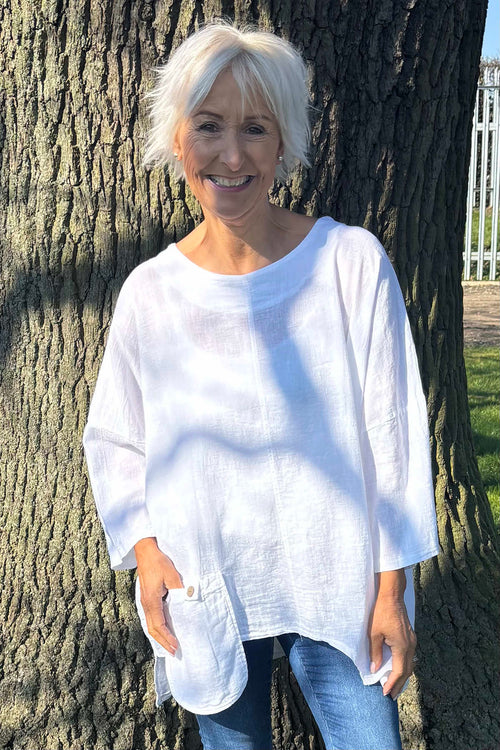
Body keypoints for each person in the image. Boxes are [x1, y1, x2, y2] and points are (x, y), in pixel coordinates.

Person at [83, 21, 440, 750]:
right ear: (178, 139)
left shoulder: (349, 265)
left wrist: (391, 589)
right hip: (205, 583)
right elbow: (115, 437)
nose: (232, 154)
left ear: (284, 144)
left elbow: (394, 432)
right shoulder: (151, 294)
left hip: (336, 582)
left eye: (255, 128)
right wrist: (146, 551)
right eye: (209, 126)